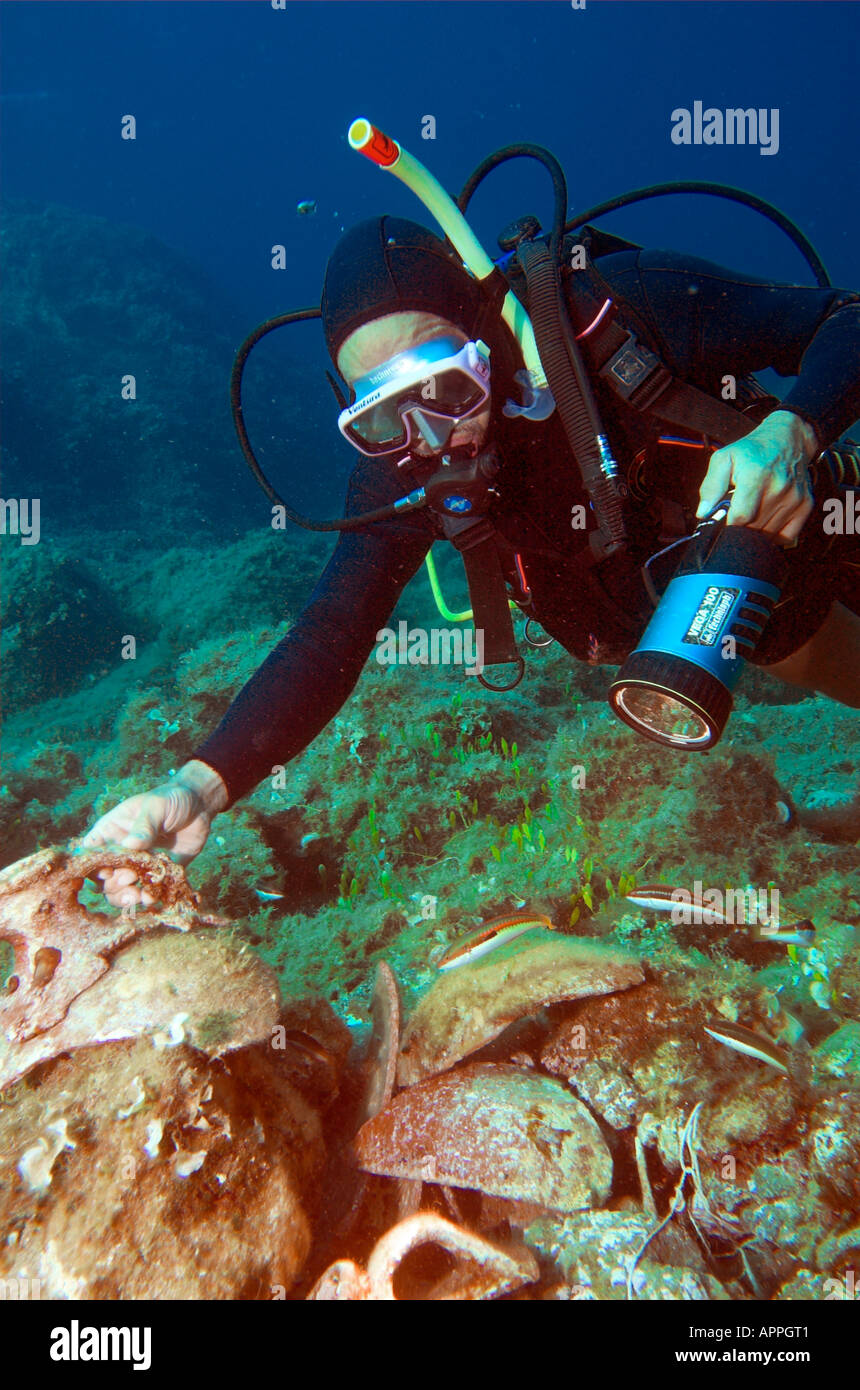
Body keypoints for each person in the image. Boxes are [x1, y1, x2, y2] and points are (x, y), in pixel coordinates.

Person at [84, 216, 860, 907]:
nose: (429, 436)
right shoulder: (399, 470)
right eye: (384, 413)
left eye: (445, 388)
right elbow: (330, 635)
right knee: (794, 645)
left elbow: (845, 321)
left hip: (823, 522)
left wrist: (794, 430)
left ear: (484, 338)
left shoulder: (626, 312)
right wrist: (197, 785)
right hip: (758, 615)